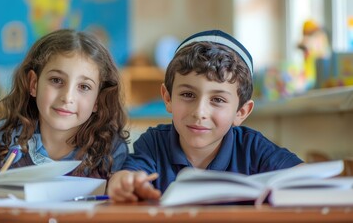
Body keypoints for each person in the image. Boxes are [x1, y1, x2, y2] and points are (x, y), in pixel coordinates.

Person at [107, 29, 303, 202]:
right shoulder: (153, 144)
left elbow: (306, 178)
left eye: (218, 100)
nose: (199, 113)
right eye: (187, 95)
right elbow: (123, 177)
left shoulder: (253, 149)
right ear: (167, 98)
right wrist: (123, 183)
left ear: (241, 112)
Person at [0, 29, 130, 199]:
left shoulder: (110, 149)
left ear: (97, 100)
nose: (67, 97)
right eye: (56, 80)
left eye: (84, 86)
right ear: (34, 84)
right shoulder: (8, 139)